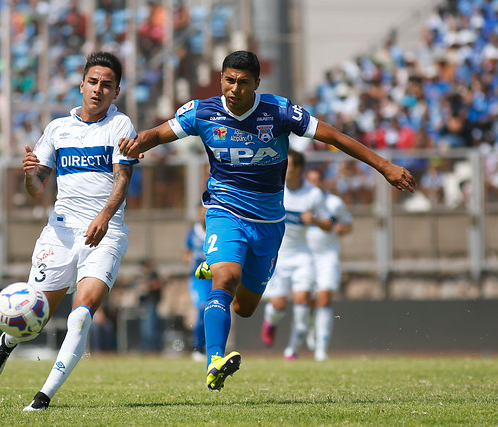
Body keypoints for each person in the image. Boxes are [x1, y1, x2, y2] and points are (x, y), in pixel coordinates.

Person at [118, 50, 416, 391]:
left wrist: (384, 166)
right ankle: (215, 358)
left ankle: (219, 265)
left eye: (243, 82)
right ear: (221, 79)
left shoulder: (280, 111)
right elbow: (157, 134)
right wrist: (136, 143)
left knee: (244, 308)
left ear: (257, 83)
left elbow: (333, 137)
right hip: (224, 210)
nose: (234, 88)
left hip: (269, 222)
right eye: (229, 80)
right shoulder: (202, 112)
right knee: (225, 281)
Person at [0, 51, 139, 411]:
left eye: (107, 85)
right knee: (34, 317)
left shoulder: (120, 126)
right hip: (61, 234)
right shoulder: (57, 128)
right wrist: (29, 173)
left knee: (82, 313)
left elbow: (123, 180)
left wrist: (104, 216)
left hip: (106, 232)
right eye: (93, 82)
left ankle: (43, 396)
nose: (98, 90)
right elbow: (36, 188)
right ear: (81, 85)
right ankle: (7, 343)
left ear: (116, 92)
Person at [260, 151, 333, 361]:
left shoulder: (313, 194)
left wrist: (316, 220)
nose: (283, 167)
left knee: (302, 301)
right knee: (279, 305)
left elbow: (329, 224)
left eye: (288, 164)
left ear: (299, 169)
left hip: (303, 256)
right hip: (279, 256)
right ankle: (270, 321)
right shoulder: (276, 188)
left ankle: (292, 349)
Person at [305, 168, 353, 361]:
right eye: (311, 180)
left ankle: (321, 349)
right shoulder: (299, 201)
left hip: (327, 256)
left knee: (324, 298)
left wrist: (343, 228)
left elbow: (348, 224)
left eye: (317, 180)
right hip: (305, 257)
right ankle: (310, 325)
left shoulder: (334, 202)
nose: (314, 184)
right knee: (306, 298)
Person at [184, 205, 212, 361]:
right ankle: (198, 347)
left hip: (214, 280)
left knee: (213, 311)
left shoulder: (215, 232)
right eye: (202, 211)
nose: (204, 214)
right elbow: (186, 254)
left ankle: (213, 347)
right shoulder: (192, 233)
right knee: (202, 310)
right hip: (198, 281)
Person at [136, 259, 164, 352]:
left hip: (152, 302)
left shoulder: (153, 274)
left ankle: (153, 348)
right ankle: (147, 348)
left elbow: (158, 284)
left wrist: (147, 285)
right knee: (146, 327)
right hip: (146, 303)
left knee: (150, 327)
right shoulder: (145, 275)